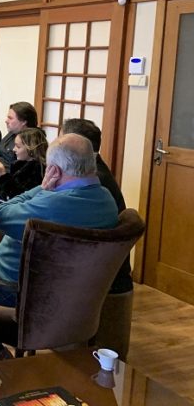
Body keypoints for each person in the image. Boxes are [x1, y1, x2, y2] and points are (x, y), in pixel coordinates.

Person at [0, 133, 119, 361]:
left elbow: (1, 215)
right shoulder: (107, 201)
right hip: (73, 294)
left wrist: (42, 189)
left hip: (15, 285)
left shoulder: (51, 203)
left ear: (55, 172)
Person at [61, 118, 131, 293]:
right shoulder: (93, 169)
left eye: (61, 140)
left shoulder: (91, 179)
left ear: (75, 145)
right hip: (100, 260)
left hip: (99, 270)